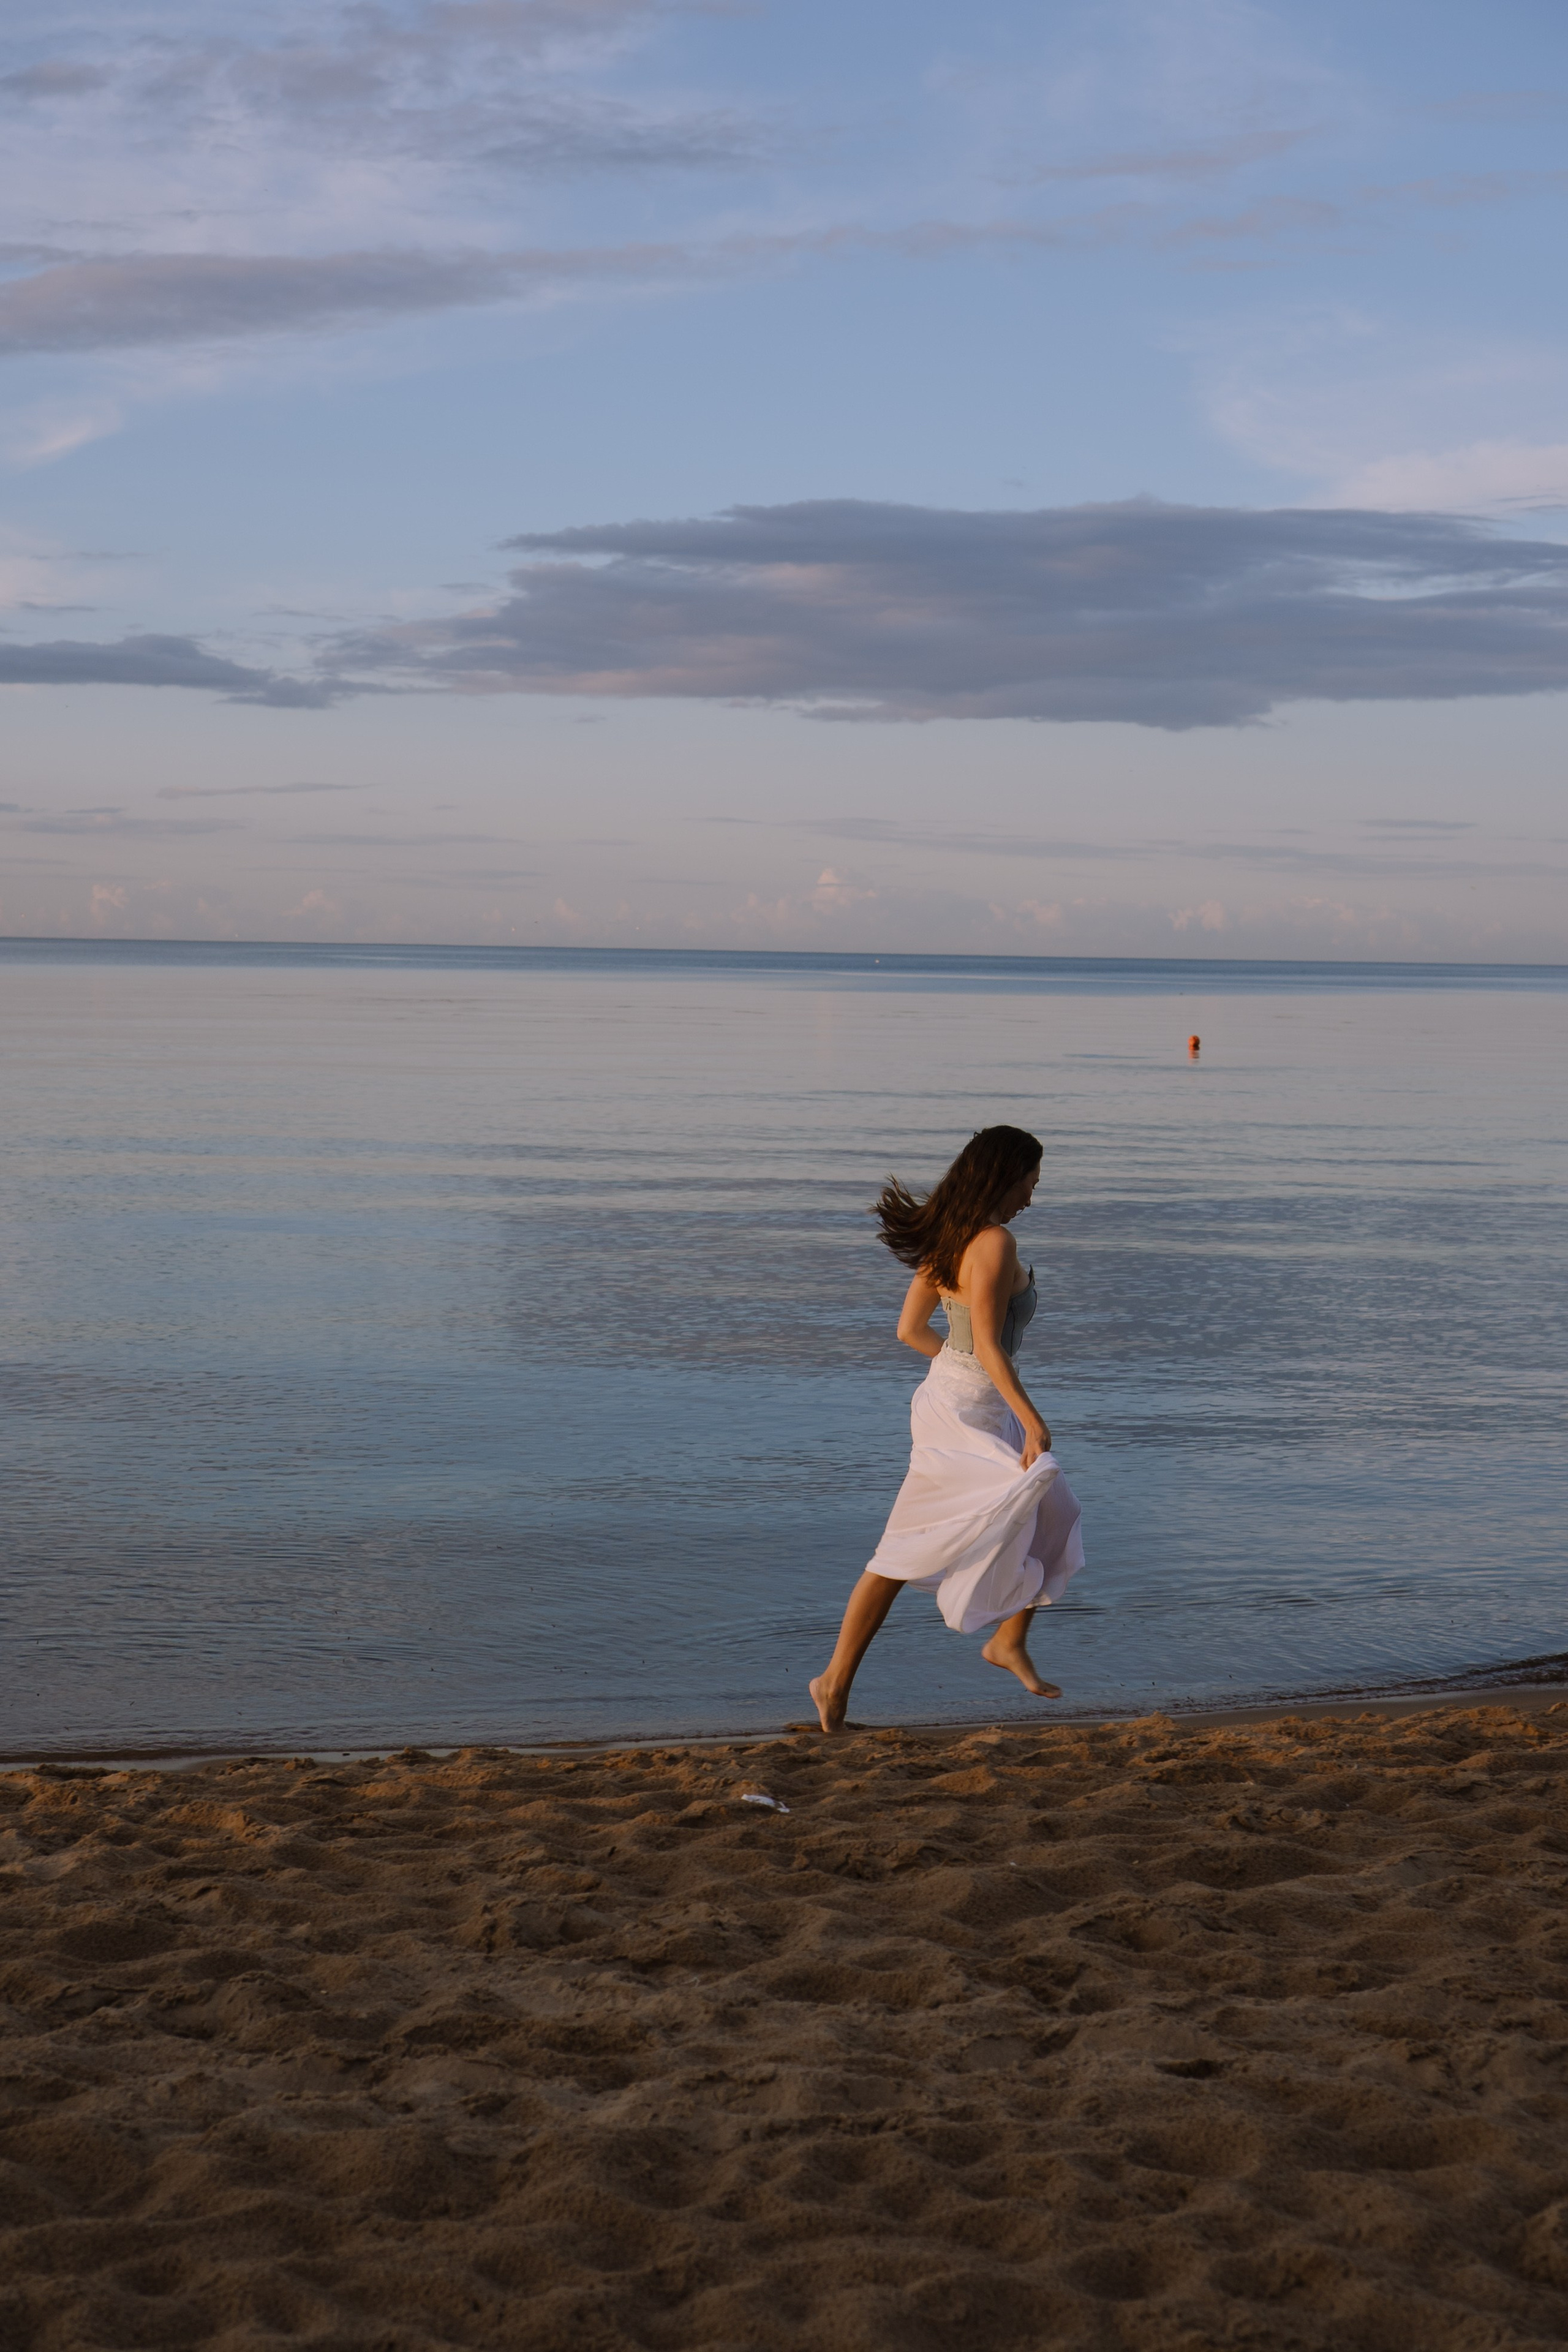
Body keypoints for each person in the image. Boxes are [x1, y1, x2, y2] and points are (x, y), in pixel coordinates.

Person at [809, 1125, 1084, 1735]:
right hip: (971, 1409)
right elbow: (987, 1343)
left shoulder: (949, 1237)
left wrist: (960, 1371)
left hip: (955, 1399)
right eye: (1029, 1184)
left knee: (1044, 1506)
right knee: (1025, 1498)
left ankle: (1001, 1642)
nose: (1030, 1199)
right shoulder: (993, 1241)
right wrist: (1032, 1419)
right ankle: (839, 1681)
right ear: (1004, 1176)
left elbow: (910, 1331)